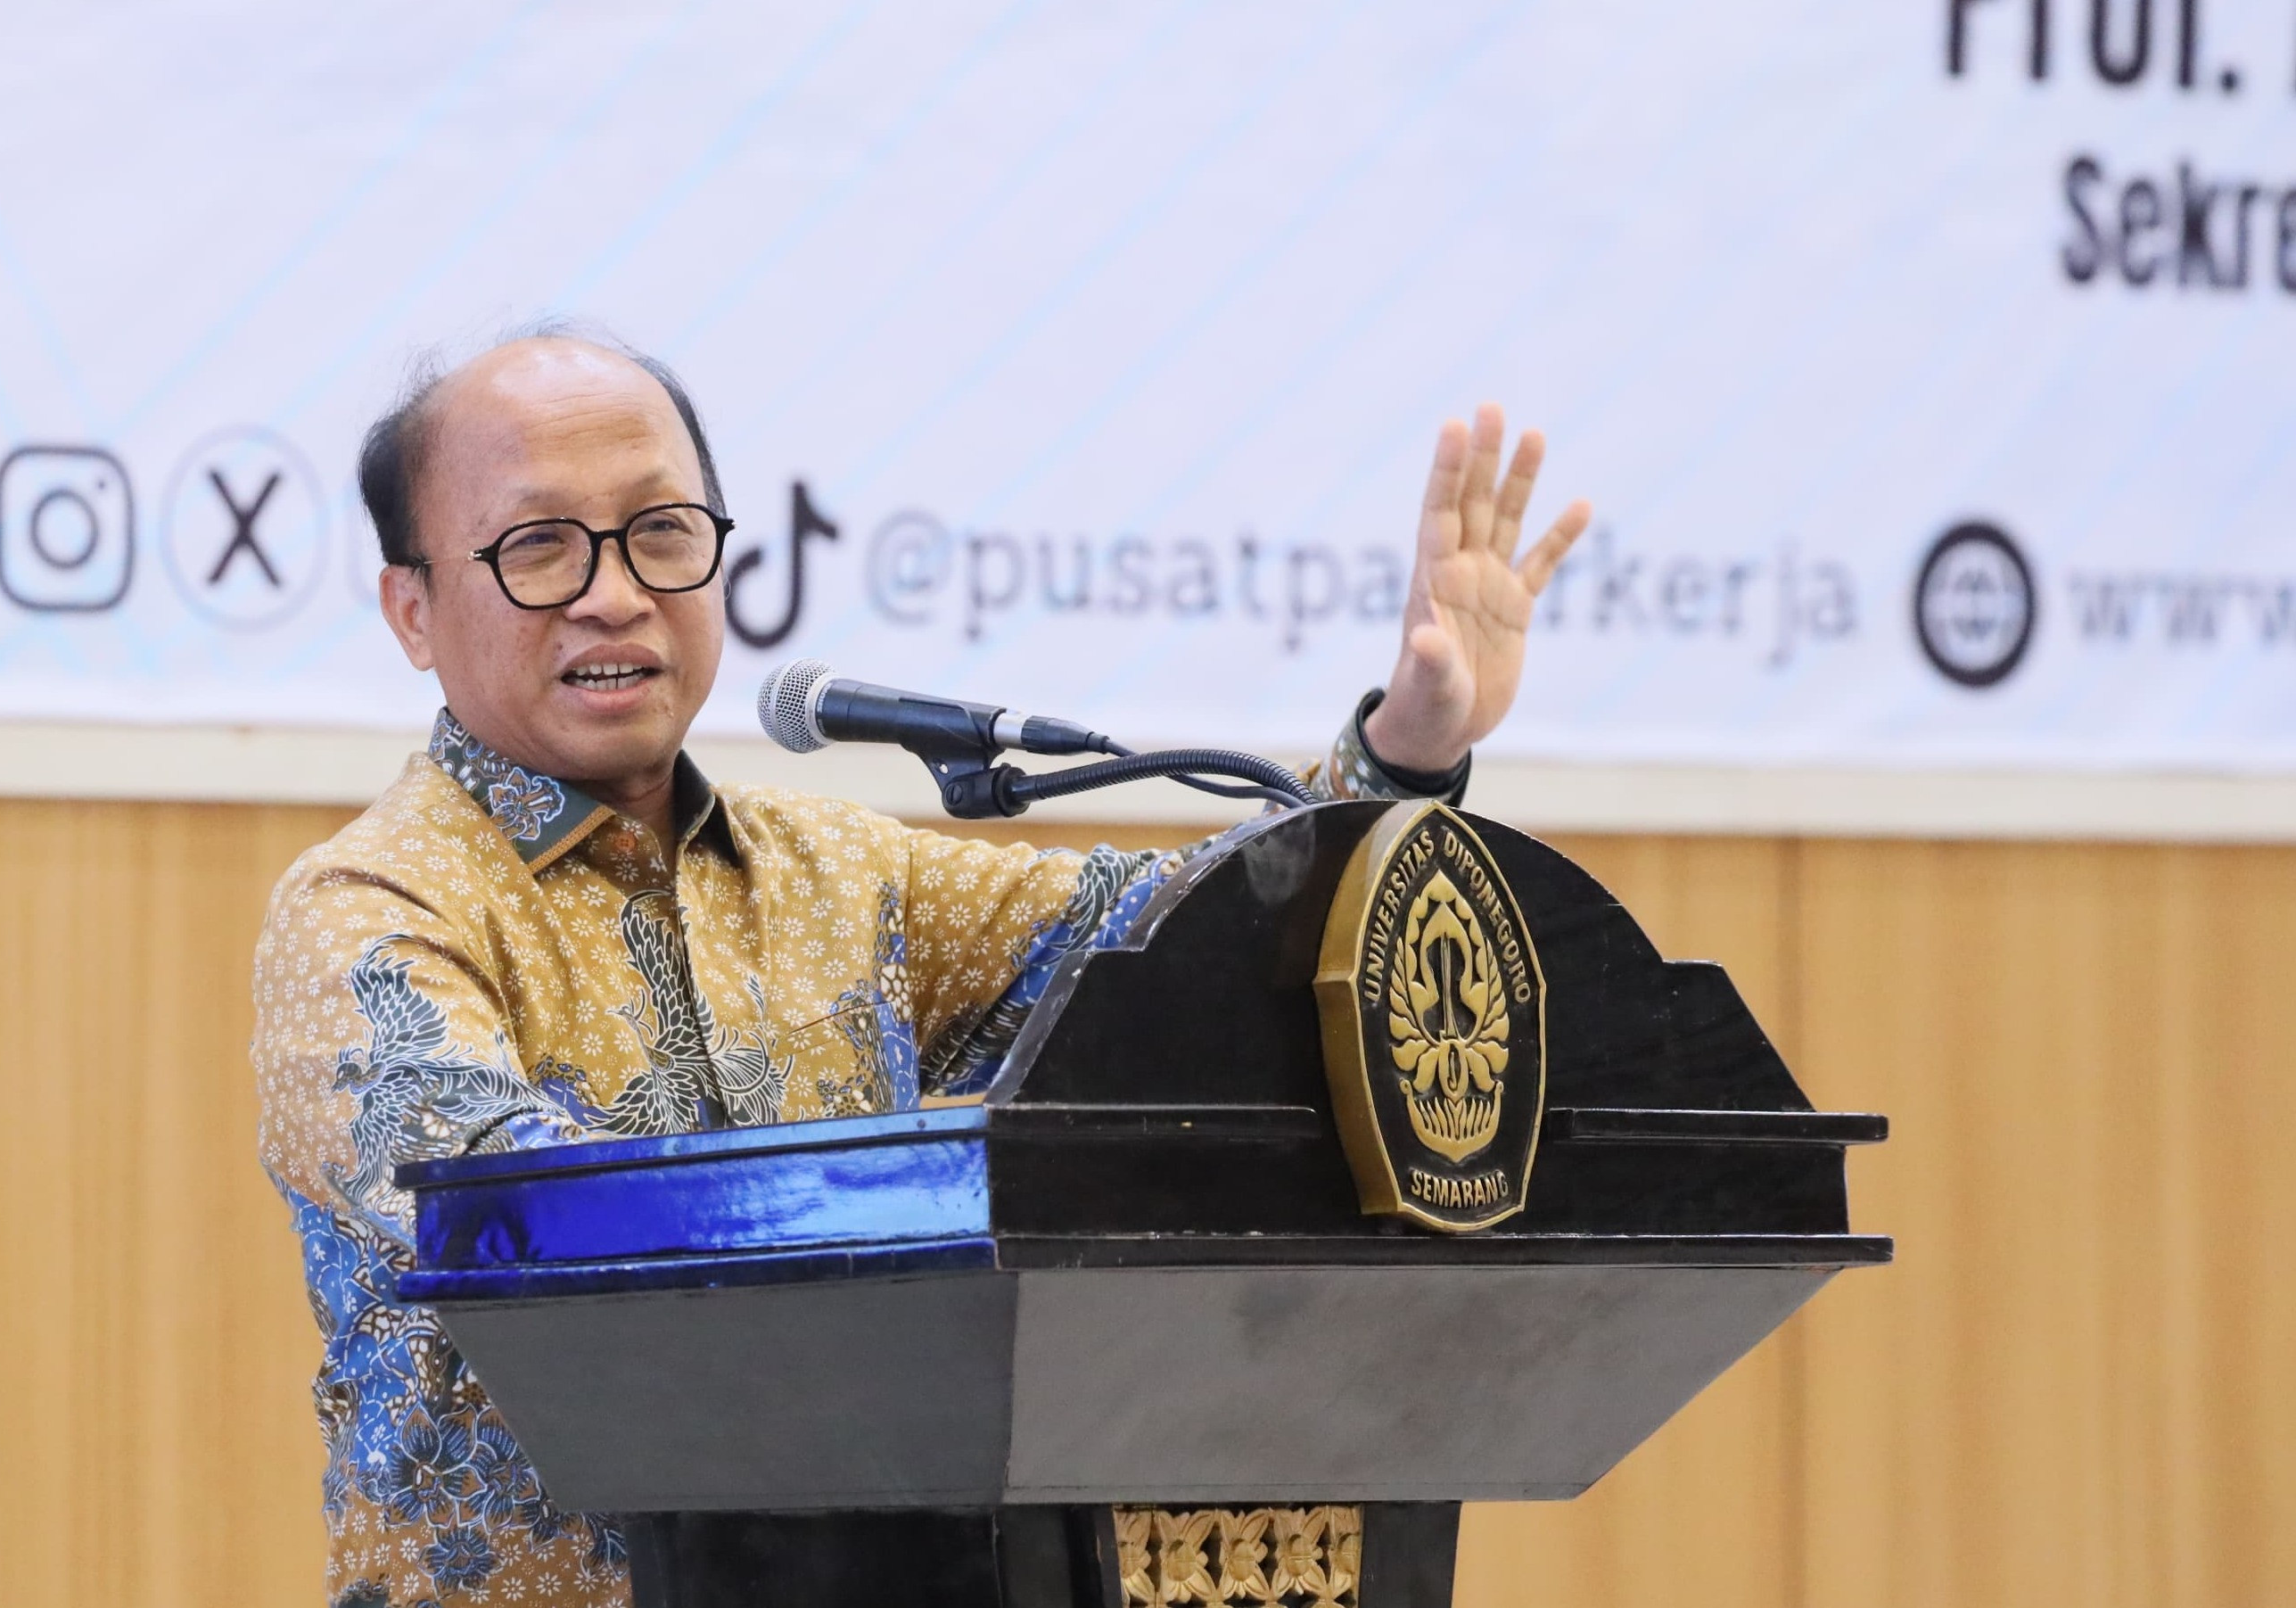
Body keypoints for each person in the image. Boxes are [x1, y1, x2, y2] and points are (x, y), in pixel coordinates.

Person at [251, 325, 1589, 1608]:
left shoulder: (847, 875)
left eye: (661, 532)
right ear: (412, 609)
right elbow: (520, 1212)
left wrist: (1403, 754)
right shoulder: (368, 908)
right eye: (540, 544)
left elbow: (1183, 937)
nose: (616, 590)